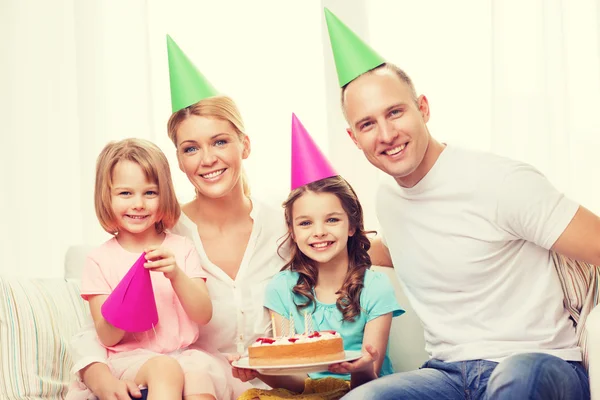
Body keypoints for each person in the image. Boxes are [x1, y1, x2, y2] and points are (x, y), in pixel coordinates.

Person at [322, 8, 600, 400]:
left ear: (423, 108)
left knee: (519, 376)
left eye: (395, 112)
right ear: (354, 138)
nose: (386, 134)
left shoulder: (501, 182)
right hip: (448, 375)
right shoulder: (389, 202)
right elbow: (402, 246)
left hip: (537, 363)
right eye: (368, 124)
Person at [67, 37, 288, 399]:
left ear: (244, 145)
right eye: (190, 149)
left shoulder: (287, 226)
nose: (207, 160)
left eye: (219, 142)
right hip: (171, 376)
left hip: (254, 384)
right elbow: (96, 333)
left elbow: (348, 248)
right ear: (179, 162)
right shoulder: (159, 230)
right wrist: (99, 377)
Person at [232, 115, 404, 400]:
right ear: (292, 231)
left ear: (351, 225)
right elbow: (294, 380)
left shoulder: (375, 287)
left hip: (363, 390)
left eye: (332, 220)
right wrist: (259, 370)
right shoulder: (281, 289)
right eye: (306, 223)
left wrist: (360, 367)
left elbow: (369, 378)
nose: (319, 233)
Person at [67, 138, 235, 400]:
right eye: (125, 193)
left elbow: (203, 314)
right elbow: (107, 337)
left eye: (150, 193)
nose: (139, 204)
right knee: (164, 369)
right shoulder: (100, 259)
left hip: (185, 354)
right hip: (130, 360)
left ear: (164, 196)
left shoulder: (181, 248)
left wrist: (176, 275)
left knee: (200, 380)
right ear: (106, 197)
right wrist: (127, 296)